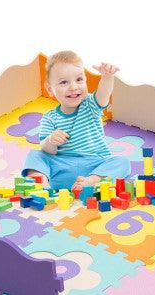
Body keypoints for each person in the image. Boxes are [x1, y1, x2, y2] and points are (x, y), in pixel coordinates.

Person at [21, 50, 130, 191]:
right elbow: (46, 149)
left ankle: (91, 182)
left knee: (122, 162)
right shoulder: (49, 117)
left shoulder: (90, 104)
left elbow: (104, 94)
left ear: (85, 80)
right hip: (61, 168)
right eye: (64, 82)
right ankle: (42, 186)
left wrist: (107, 77)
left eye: (79, 80)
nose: (73, 87)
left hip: (94, 165)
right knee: (34, 155)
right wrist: (51, 141)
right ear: (50, 89)